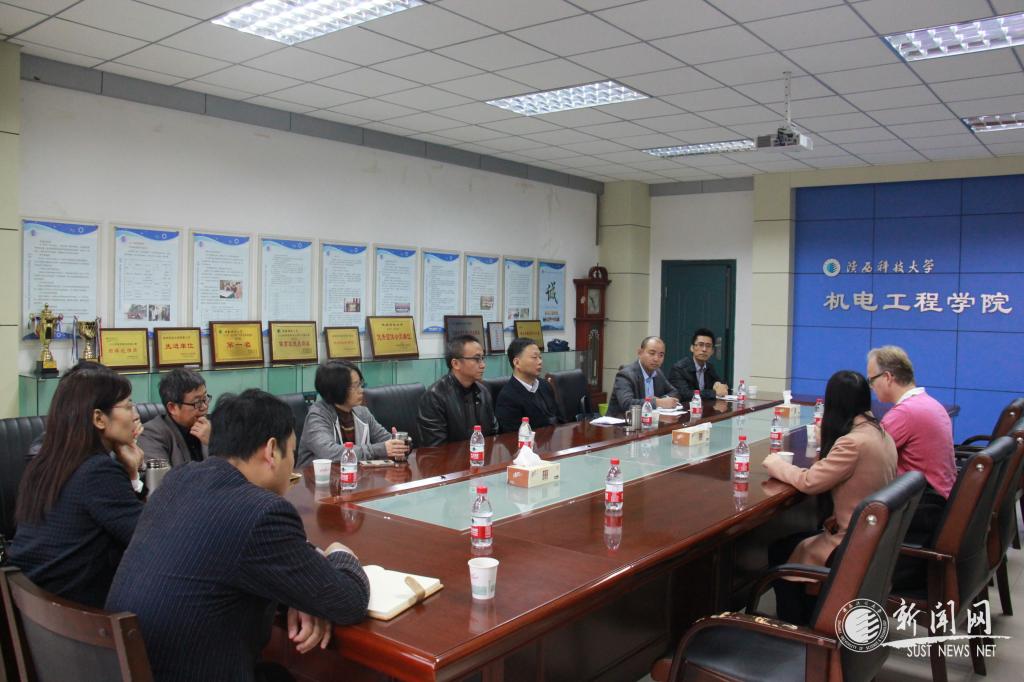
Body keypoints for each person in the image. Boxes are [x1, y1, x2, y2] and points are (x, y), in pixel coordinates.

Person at [106, 389, 370, 682]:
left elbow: (228, 555)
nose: (291, 464)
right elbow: (348, 602)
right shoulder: (261, 511)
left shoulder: (178, 481)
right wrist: (338, 552)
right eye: (292, 452)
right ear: (272, 451)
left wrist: (299, 588)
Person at [762, 370, 897, 624]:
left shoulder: (852, 443)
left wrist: (776, 464)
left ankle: (794, 626)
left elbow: (810, 481)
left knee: (781, 550)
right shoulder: (880, 433)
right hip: (868, 536)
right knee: (788, 544)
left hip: (849, 542)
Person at [9, 367, 145, 608]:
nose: (135, 415)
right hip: (80, 616)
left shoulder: (45, 462)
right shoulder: (97, 471)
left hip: (36, 609)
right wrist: (133, 476)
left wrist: (132, 473)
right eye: (128, 406)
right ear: (99, 419)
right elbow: (147, 537)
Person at [866, 345, 956, 588]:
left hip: (923, 509)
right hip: (939, 503)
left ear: (887, 377)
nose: (871, 386)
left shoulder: (905, 413)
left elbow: (868, 455)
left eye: (872, 380)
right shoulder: (928, 403)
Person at [296, 359, 409, 469]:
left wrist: (400, 444)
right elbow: (330, 453)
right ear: (337, 389)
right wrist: (379, 449)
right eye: (355, 386)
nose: (361, 390)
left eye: (361, 384)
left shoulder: (362, 412)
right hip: (317, 478)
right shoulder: (317, 416)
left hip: (356, 477)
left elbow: (385, 440)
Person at [417, 335, 499, 446]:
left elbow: (493, 434)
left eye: (482, 358)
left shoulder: (483, 391)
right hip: (448, 457)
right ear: (456, 364)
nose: (483, 365)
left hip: (481, 455)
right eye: (476, 359)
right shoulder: (435, 396)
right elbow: (435, 448)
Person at [137, 368, 211, 467]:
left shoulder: (211, 427)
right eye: (197, 402)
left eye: (205, 398)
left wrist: (212, 443)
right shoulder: (151, 434)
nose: (204, 406)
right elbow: (162, 476)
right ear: (172, 408)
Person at [495, 337, 562, 433]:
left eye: (540, 357)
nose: (540, 362)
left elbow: (559, 419)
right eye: (534, 357)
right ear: (517, 362)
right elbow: (512, 436)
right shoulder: (507, 397)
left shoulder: (545, 385)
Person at [606, 336, 680, 417]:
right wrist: (658, 403)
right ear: (640, 353)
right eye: (652, 353)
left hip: (650, 421)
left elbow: (674, 392)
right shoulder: (625, 374)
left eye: (661, 355)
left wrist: (664, 399)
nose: (656, 359)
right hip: (622, 422)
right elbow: (626, 403)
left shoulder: (658, 373)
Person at [667, 328, 728, 401]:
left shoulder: (709, 367)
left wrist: (720, 385)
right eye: (700, 345)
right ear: (692, 348)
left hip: (704, 406)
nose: (704, 349)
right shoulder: (679, 368)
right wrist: (714, 393)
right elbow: (685, 394)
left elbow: (720, 385)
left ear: (712, 351)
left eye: (708, 346)